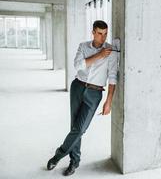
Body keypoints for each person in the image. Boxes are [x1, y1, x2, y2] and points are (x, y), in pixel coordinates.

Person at [47, 20, 118, 176]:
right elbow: (78, 65)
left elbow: (112, 77)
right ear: (93, 32)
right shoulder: (83, 46)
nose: (103, 37)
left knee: (80, 128)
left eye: (105, 34)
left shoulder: (111, 52)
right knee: (75, 127)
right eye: (99, 33)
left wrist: (109, 101)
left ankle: (58, 155)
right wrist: (99, 55)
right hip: (78, 87)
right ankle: (74, 162)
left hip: (95, 93)